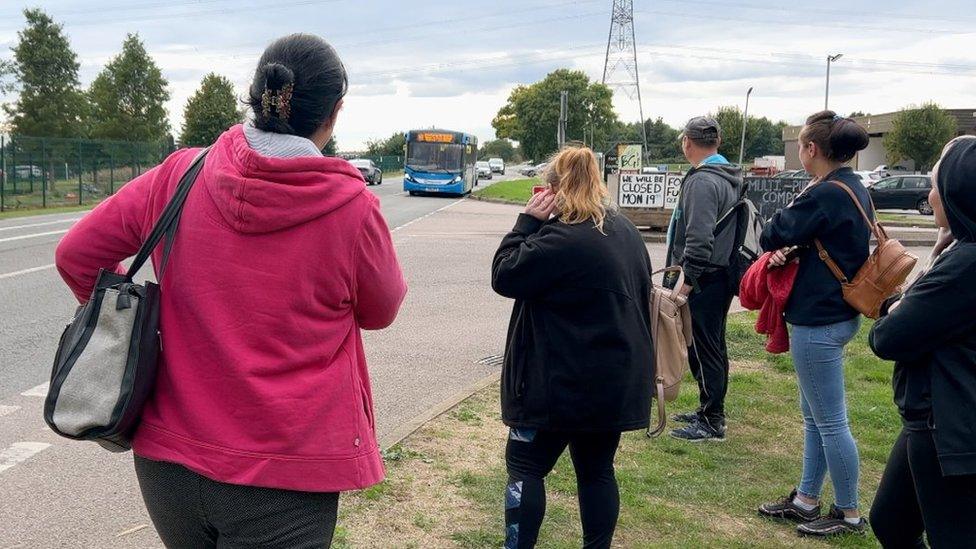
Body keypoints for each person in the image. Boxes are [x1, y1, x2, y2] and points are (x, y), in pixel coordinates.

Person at [54, 34, 407, 548]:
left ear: (256, 94)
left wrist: (131, 323)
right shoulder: (351, 208)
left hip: (168, 462)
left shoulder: (180, 174)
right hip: (287, 473)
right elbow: (381, 310)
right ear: (335, 112)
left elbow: (76, 255)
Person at [491, 146, 654, 549]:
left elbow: (504, 273)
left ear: (553, 189)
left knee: (526, 467)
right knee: (597, 471)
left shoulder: (559, 239)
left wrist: (527, 221)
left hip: (556, 383)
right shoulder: (624, 231)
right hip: (614, 380)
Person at [756, 111, 870, 537]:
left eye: (802, 146)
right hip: (839, 313)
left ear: (811, 150)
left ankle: (848, 512)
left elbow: (772, 233)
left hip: (818, 319)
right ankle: (806, 498)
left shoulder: (823, 194)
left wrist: (791, 225)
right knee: (816, 417)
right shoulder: (853, 186)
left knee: (830, 421)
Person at [869, 136, 976, 547]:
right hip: (932, 419)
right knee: (891, 521)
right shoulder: (958, 253)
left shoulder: (966, 266)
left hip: (949, 426)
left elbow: (888, 337)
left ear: (956, 193)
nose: (928, 196)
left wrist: (901, 306)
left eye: (934, 186)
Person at [666, 116, 744, 442]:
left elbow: (698, 241)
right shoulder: (727, 174)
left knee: (705, 347)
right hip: (721, 273)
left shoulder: (702, 181)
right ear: (717, 142)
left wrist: (684, 286)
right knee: (711, 344)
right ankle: (708, 409)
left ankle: (712, 420)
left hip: (704, 278)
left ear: (687, 142)